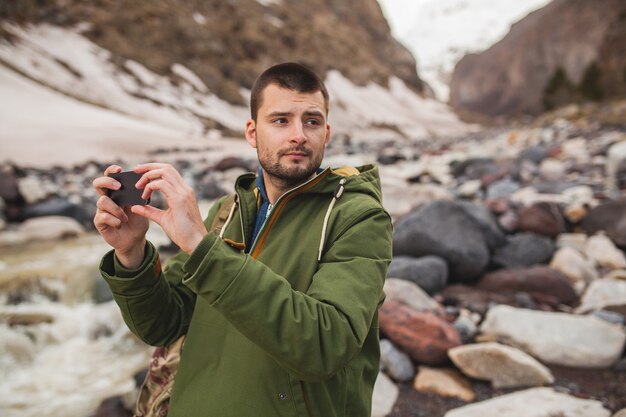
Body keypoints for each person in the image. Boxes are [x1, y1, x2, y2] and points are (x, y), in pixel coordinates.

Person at [93, 62, 392, 417]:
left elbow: (326, 345)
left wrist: (204, 250)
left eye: (311, 121)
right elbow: (162, 324)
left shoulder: (359, 217)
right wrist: (132, 254)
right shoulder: (227, 211)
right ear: (252, 133)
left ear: (326, 134)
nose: (298, 134)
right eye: (280, 120)